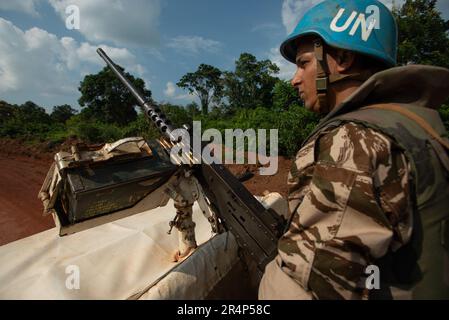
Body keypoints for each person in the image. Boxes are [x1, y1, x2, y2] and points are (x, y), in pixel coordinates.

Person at [259, 0, 449, 299]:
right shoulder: (417, 126)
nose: (295, 79)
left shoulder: (355, 139)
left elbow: (308, 287)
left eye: (303, 63)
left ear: (343, 58)